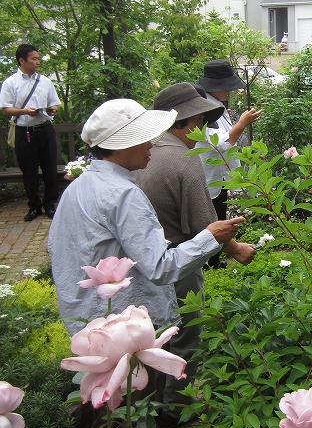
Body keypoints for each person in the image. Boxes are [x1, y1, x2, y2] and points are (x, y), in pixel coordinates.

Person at [48, 98, 244, 338]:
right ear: (123, 145)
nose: (151, 144)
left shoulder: (79, 186)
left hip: (91, 321)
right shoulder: (124, 195)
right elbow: (160, 268)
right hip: (126, 328)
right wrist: (211, 237)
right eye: (144, 137)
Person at [136, 83, 256, 425]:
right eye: (199, 122)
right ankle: (174, 410)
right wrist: (236, 248)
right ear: (183, 123)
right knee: (185, 336)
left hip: (147, 261)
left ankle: (152, 407)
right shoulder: (184, 161)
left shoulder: (144, 154)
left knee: (156, 337)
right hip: (180, 261)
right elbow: (205, 224)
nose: (203, 130)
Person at [195, 59, 262, 266]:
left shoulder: (218, 106)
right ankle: (208, 262)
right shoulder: (205, 109)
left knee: (219, 214)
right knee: (211, 217)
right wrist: (242, 123)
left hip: (219, 173)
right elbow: (220, 144)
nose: (229, 92)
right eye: (226, 87)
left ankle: (214, 259)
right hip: (210, 174)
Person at [0, 44, 61, 220]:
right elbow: (6, 109)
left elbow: (54, 102)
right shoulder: (11, 83)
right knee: (29, 171)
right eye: (34, 58)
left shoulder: (45, 81)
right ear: (22, 60)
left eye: (38, 58)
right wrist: (25, 112)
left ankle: (50, 205)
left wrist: (52, 109)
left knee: (50, 168)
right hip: (24, 131)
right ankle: (34, 206)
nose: (37, 62)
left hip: (45, 129)